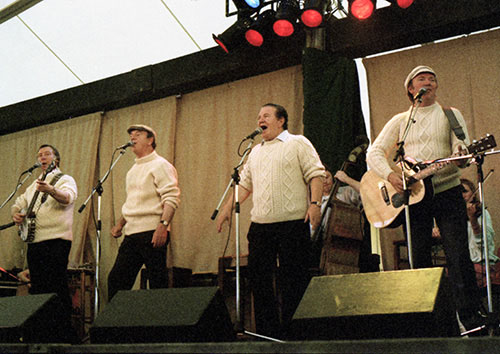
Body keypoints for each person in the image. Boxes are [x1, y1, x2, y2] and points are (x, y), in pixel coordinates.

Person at [366, 65, 484, 333]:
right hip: (414, 198)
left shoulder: (450, 115)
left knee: (458, 255)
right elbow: (373, 154)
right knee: (418, 260)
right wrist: (390, 175)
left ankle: (471, 322)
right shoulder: (400, 121)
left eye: (432, 79)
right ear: (411, 88)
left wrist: (462, 153)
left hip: (447, 191)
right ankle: (428, 323)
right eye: (422, 79)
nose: (428, 82)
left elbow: (460, 152)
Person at [216, 103, 325, 338]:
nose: (260, 120)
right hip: (261, 227)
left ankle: (295, 334)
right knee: (259, 280)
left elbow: (316, 173)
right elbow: (244, 184)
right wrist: (226, 209)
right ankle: (268, 334)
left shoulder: (298, 143)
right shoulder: (255, 151)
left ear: (281, 120)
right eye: (258, 117)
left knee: (293, 281)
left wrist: (315, 204)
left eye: (265, 115)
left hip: (293, 223)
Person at [11, 144, 78, 340]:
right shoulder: (33, 185)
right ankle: (40, 334)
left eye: (47, 154)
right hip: (35, 242)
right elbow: (19, 203)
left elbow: (68, 198)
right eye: (39, 155)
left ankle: (63, 333)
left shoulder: (65, 179)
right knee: (38, 288)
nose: (42, 157)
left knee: (56, 286)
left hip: (57, 240)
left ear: (56, 159)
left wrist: (50, 190)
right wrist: (16, 214)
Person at [107, 124, 180, 301]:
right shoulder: (132, 170)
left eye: (138, 135)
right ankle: (118, 326)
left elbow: (171, 198)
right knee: (116, 280)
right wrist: (120, 224)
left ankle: (158, 326)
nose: (132, 138)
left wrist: (163, 226)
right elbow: (133, 202)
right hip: (132, 233)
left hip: (152, 232)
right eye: (131, 135)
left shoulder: (161, 165)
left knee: (156, 283)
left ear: (150, 140)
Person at [433, 178, 500, 287]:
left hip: (482, 264)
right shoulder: (452, 218)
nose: (461, 195)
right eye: (458, 193)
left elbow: (485, 243)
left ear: (473, 194)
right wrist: (439, 234)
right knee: (439, 278)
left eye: (465, 191)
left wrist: (473, 219)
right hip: (463, 264)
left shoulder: (482, 212)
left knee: (456, 279)